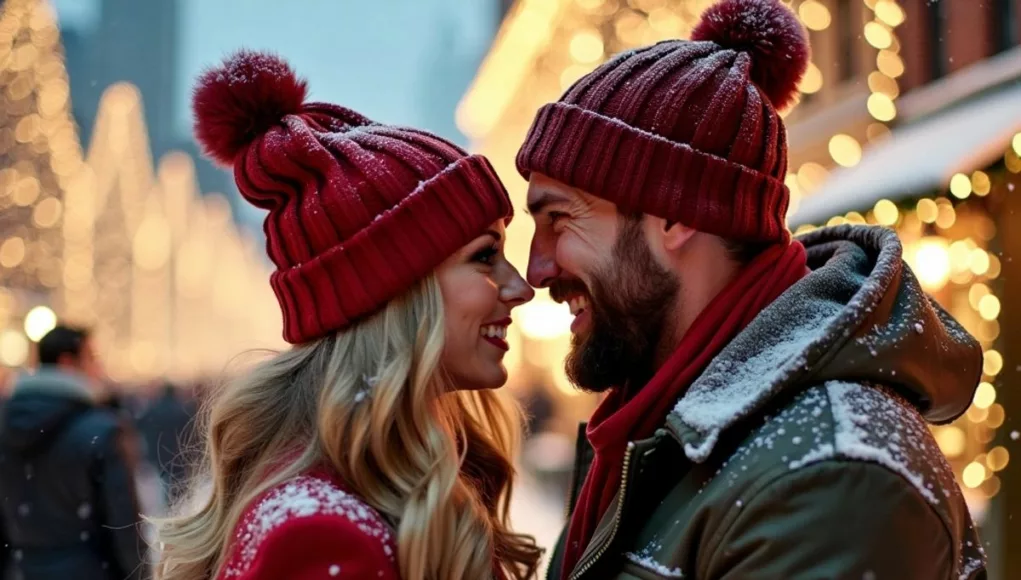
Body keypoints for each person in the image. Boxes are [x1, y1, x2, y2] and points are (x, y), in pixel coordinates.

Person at [518, 0, 987, 578]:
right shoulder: (650, 428)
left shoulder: (828, 478)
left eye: (559, 221)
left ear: (673, 214)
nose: (534, 270)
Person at [154, 51, 542, 580]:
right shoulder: (323, 533)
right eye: (483, 256)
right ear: (392, 293)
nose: (520, 287)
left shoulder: (395, 486)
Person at [0, 325, 147, 580]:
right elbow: (124, 527)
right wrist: (139, 573)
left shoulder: (4, 423)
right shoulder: (102, 430)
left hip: (21, 569)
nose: (98, 369)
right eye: (92, 358)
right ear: (67, 362)